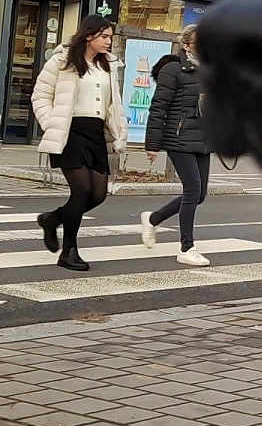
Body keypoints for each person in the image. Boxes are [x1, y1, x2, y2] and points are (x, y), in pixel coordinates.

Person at [31, 14, 127, 272]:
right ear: (88, 35)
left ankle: (53, 219)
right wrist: (51, 121)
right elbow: (40, 95)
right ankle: (69, 252)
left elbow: (113, 104)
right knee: (81, 191)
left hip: (95, 134)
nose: (109, 41)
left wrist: (119, 132)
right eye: (104, 36)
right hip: (69, 132)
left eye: (110, 37)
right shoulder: (62, 61)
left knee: (98, 194)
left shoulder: (108, 65)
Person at [140, 24, 212, 266]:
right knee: (192, 190)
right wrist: (153, 144)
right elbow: (158, 107)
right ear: (186, 45)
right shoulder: (173, 69)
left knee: (200, 195)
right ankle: (186, 247)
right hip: (178, 138)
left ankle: (153, 219)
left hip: (203, 139)